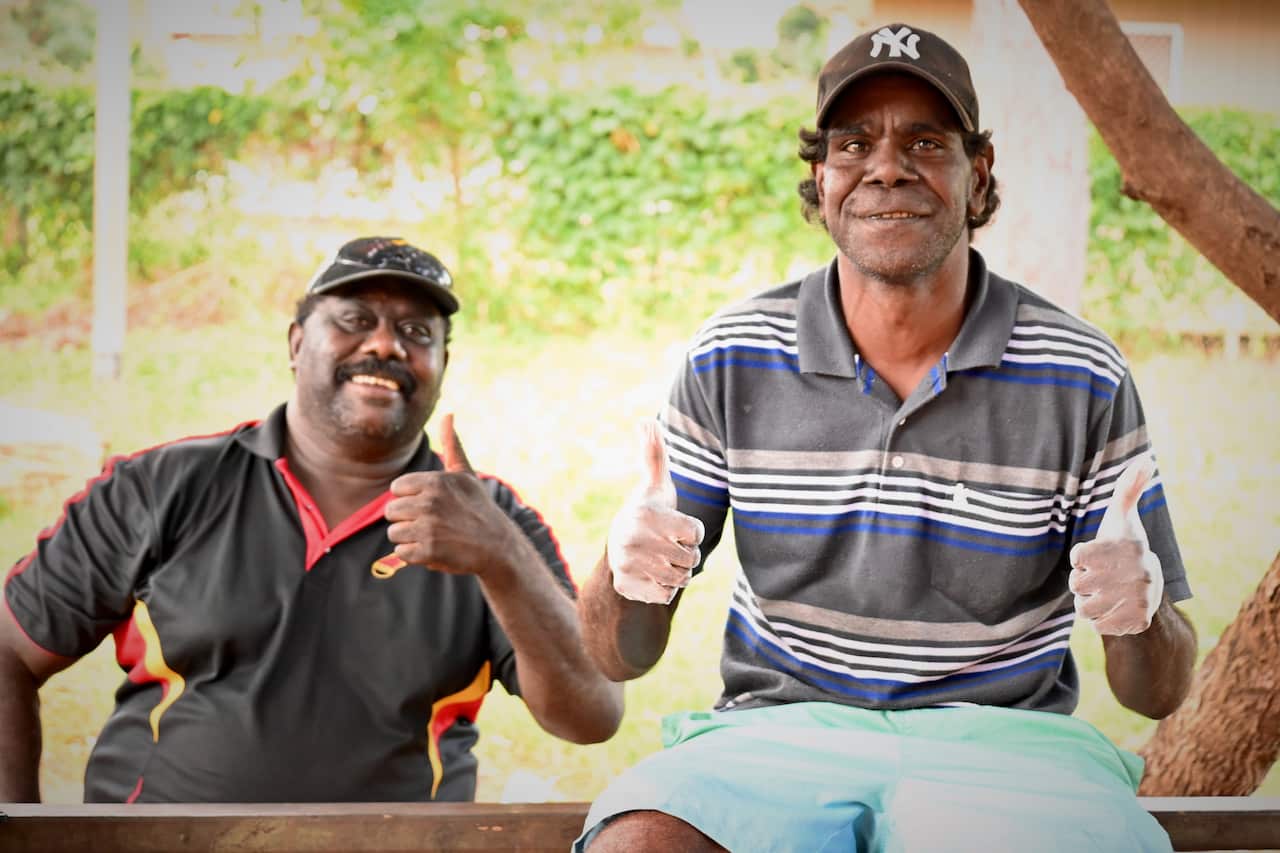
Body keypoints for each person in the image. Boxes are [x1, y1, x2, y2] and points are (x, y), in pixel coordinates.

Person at [576, 23, 1195, 853]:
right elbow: (619, 659)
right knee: (639, 844)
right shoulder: (732, 355)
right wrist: (626, 577)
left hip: (1009, 749)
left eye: (925, 140)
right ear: (821, 179)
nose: (887, 165)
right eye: (854, 141)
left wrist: (1138, 612)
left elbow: (1159, 690)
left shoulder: (1080, 371)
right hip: (775, 734)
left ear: (977, 177)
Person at [0, 236, 622, 803]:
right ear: (297, 344)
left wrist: (501, 558)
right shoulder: (159, 487)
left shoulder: (489, 521)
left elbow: (592, 715)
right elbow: (10, 650)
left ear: (442, 365)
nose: (385, 344)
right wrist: (17, 832)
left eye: (416, 331)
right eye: (355, 321)